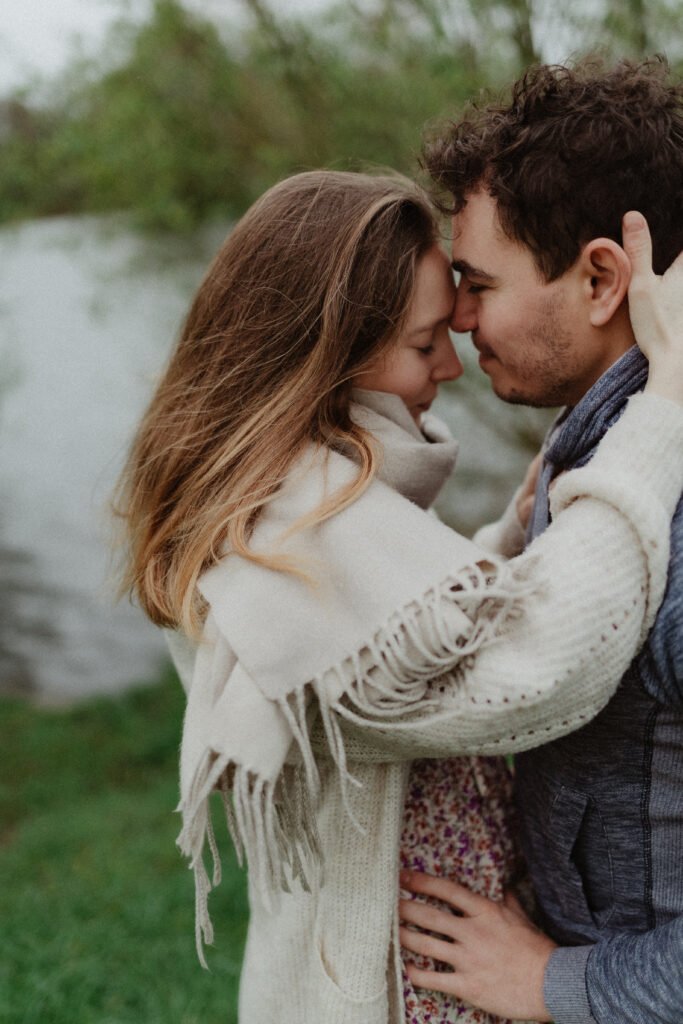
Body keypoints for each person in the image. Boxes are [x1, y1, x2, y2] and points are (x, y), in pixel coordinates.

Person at [114, 167, 683, 1024]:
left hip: (438, 950)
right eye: (423, 345)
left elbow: (416, 639)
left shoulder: (301, 492)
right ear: (326, 359)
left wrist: (507, 536)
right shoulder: (291, 528)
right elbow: (535, 663)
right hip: (397, 985)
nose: (452, 363)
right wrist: (662, 408)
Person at [399, 57, 683, 1024]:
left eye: (477, 282)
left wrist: (556, 983)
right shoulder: (597, 448)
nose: (457, 317)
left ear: (600, 279)